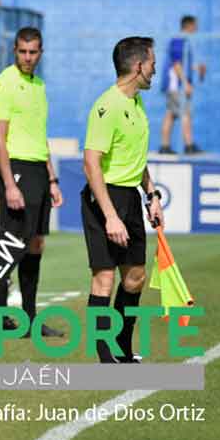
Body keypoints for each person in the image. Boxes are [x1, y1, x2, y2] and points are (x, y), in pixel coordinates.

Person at [81, 36, 163, 363]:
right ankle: (105, 357)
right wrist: (111, 216)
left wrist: (151, 194)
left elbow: (136, 159)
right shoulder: (107, 105)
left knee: (135, 277)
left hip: (130, 195)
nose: (155, 70)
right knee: (104, 277)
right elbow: (90, 163)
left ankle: (122, 347)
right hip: (105, 198)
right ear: (139, 65)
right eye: (152, 64)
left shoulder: (137, 104)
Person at [0, 27, 64, 337]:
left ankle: (30, 320)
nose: (27, 57)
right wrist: (9, 184)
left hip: (38, 170)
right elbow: (0, 139)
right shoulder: (6, 82)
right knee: (10, 247)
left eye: (32, 52)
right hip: (17, 169)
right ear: (15, 52)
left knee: (35, 244)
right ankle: (2, 319)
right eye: (22, 51)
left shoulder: (39, 85)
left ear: (40, 53)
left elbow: (40, 136)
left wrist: (52, 179)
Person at [159, 15, 206, 155]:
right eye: (196, 24)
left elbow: (183, 64)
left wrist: (196, 68)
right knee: (185, 112)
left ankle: (165, 146)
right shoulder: (179, 40)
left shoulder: (183, 41)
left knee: (171, 114)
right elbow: (177, 64)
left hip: (175, 85)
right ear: (189, 25)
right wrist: (185, 84)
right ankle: (188, 145)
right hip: (176, 85)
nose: (197, 28)